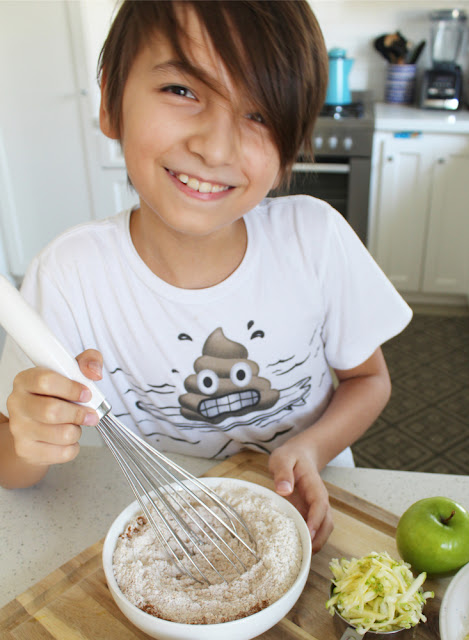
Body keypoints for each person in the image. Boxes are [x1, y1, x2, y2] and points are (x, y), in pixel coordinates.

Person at [0, 1, 411, 552]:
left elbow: (369, 380)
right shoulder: (69, 276)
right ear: (109, 100)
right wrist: (31, 439)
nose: (215, 146)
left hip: (307, 513)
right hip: (164, 535)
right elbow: (11, 466)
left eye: (260, 115)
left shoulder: (315, 240)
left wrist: (311, 448)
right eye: (183, 91)